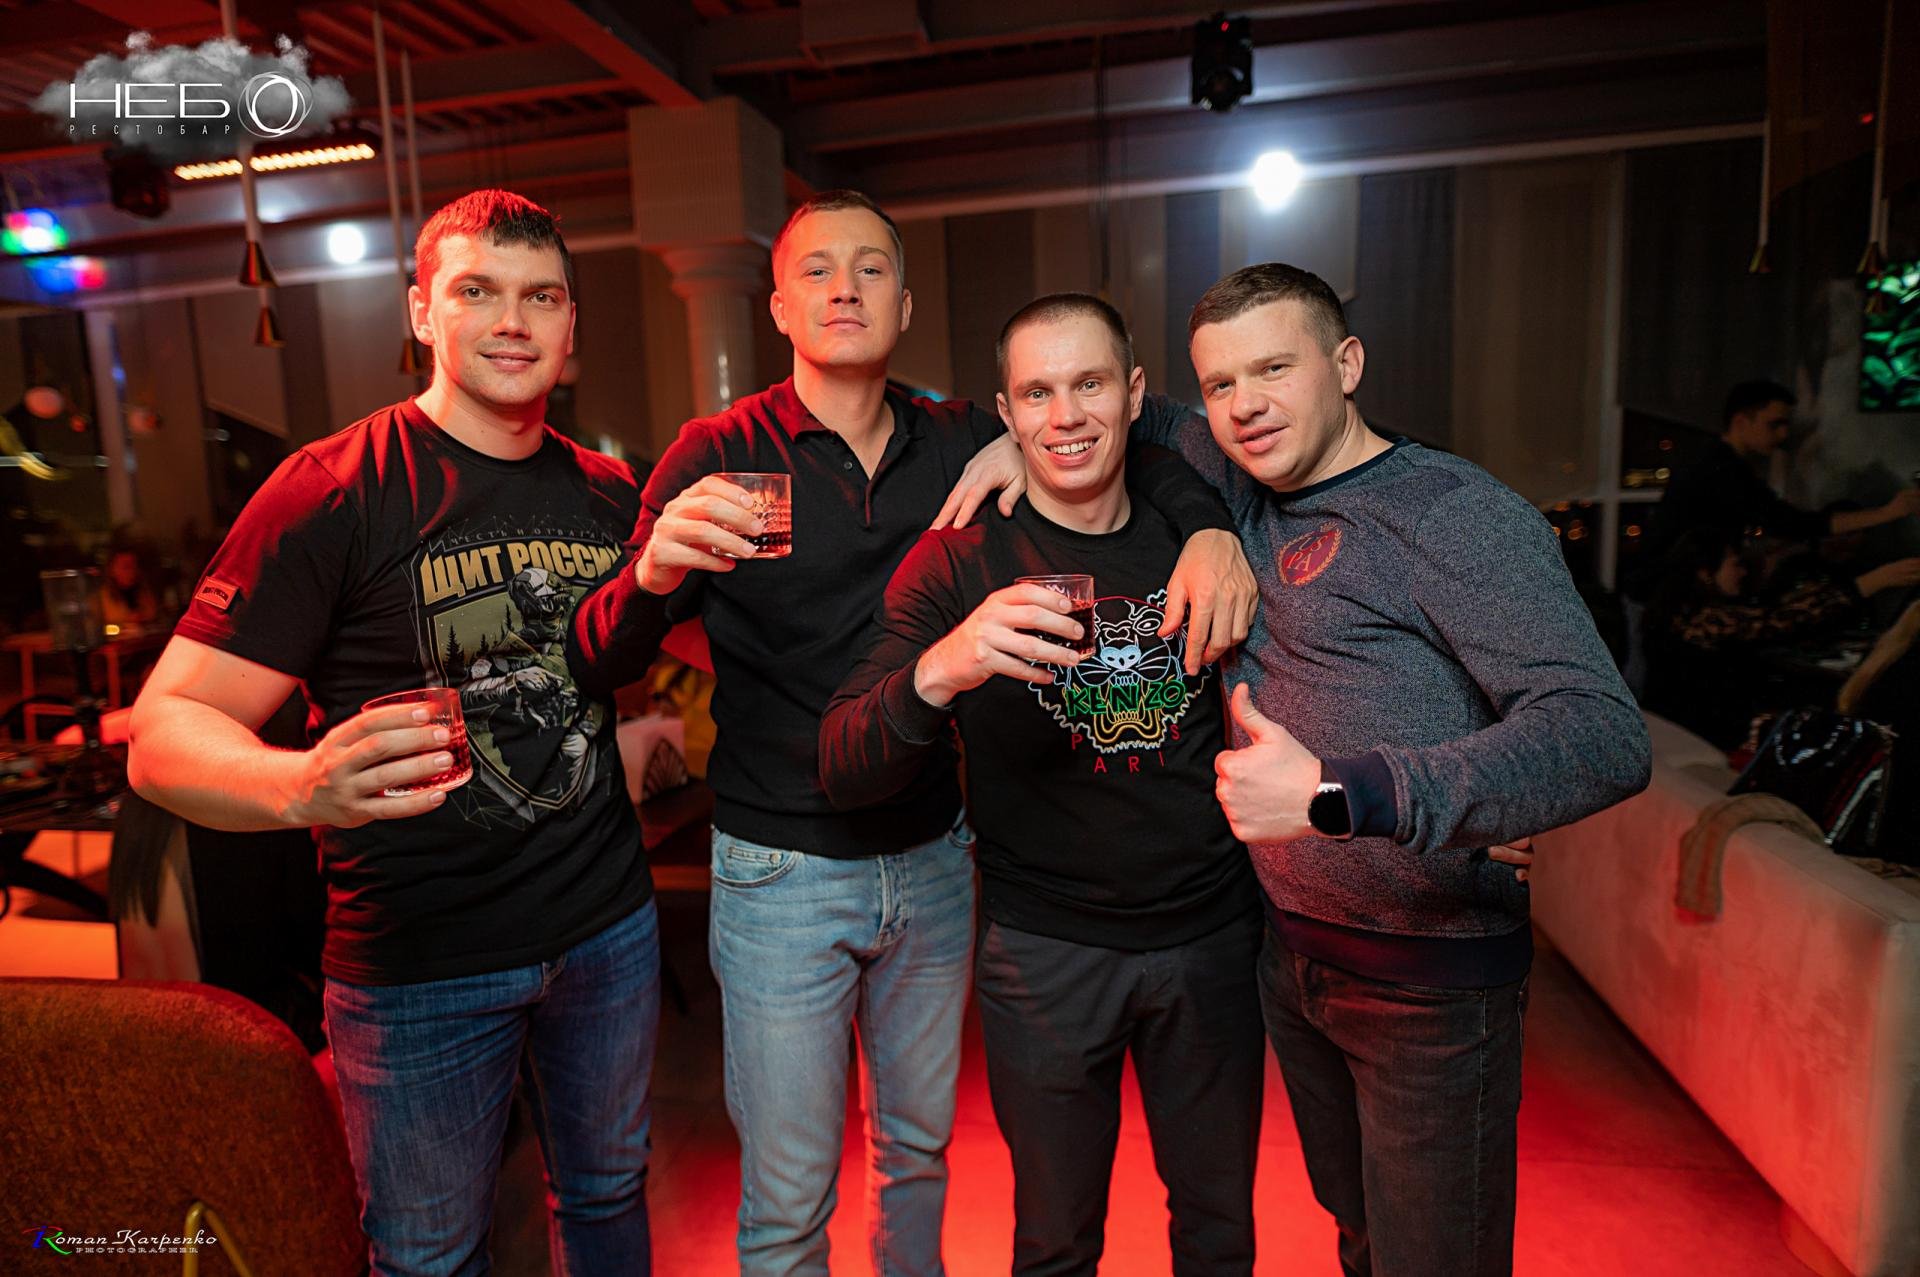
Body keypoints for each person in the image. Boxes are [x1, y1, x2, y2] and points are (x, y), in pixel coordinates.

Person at [568, 191, 1253, 1277]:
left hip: (933, 853)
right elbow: (596, 657)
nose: (845, 288)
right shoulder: (717, 452)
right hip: (782, 863)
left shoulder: (962, 437)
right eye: (817, 269)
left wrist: (1209, 528)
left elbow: (1137, 440)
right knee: (790, 1198)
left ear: (906, 302)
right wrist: (651, 574)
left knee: (917, 1156)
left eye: (872, 268)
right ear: (778, 305)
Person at [129, 189, 660, 1276]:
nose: (511, 321)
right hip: (421, 965)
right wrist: (299, 784)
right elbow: (162, 731)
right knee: (428, 1254)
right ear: (422, 312)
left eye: (540, 297)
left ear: (571, 324)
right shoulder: (333, 489)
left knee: (608, 1197)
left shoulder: (611, 493)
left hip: (606, 930)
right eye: (477, 292)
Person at [1130, 262, 1652, 1277]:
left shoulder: (1455, 513)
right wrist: (996, 446)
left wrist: (1342, 792)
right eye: (1222, 381)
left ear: (1347, 363)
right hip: (1294, 958)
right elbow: (1111, 409)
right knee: (1362, 1239)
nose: (1245, 404)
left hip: (1431, 985)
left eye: (1274, 368)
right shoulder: (1234, 478)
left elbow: (1601, 733)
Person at [820, 294, 1266, 1275]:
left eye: (1089, 383)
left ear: (1134, 393)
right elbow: (844, 759)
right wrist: (946, 665)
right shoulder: (959, 559)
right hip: (1046, 953)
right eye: (1037, 392)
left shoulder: (1200, 524)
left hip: (1210, 938)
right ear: (1006, 412)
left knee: (1220, 1231)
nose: (1065, 415)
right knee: (1056, 1243)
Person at [1633, 379, 1920, 597]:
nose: (1783, 434)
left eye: (1786, 425)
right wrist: (1887, 513)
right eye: (1774, 424)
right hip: (1662, 594)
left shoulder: (1721, 463)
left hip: (1667, 591)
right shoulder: (1722, 469)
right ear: (1741, 421)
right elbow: (1790, 522)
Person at [1641, 527, 1920, 745]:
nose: (1742, 572)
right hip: (1705, 729)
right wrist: (1870, 583)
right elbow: (1778, 620)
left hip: (1690, 723)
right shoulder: (1703, 618)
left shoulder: (1679, 611)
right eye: (1735, 564)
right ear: (1705, 573)